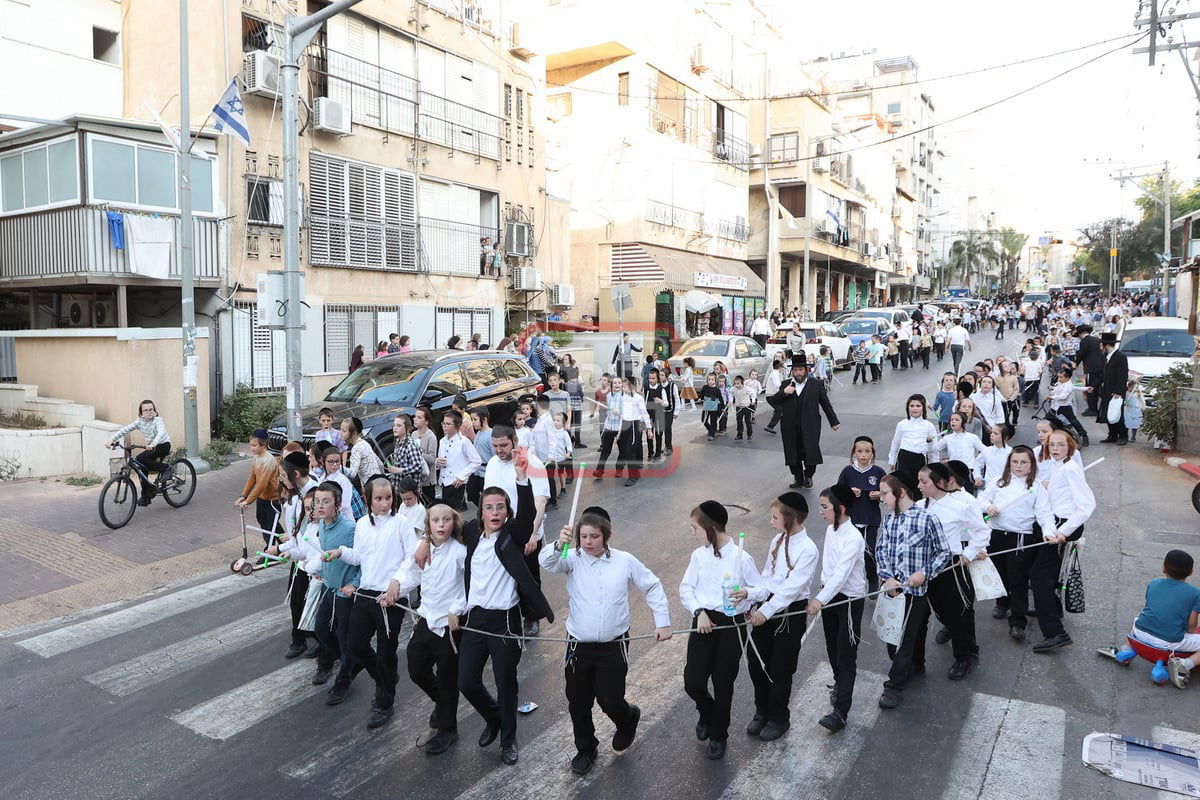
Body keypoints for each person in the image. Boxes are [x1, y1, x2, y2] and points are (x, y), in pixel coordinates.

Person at [418, 457, 549, 766]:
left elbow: (527, 516)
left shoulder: (512, 536)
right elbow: (443, 526)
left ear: (507, 512)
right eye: (489, 507)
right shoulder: (473, 534)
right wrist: (425, 540)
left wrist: (521, 479)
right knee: (466, 681)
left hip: (505, 622)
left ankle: (508, 741)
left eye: (500, 507)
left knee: (506, 684)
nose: (494, 512)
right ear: (481, 513)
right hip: (475, 620)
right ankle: (494, 717)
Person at [539, 508, 672, 775]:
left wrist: (663, 621)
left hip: (613, 644)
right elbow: (547, 562)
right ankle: (586, 748)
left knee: (610, 699)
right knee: (578, 701)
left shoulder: (625, 561)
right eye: (583, 536)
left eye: (594, 536)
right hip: (578, 645)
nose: (588, 542)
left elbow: (652, 585)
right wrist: (558, 545)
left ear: (607, 536)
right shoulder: (571, 558)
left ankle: (627, 718)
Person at [323, 476, 418, 729]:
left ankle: (384, 702)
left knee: (387, 651)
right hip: (365, 593)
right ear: (368, 500)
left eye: (388, 498)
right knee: (355, 643)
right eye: (379, 499)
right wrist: (340, 552)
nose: (384, 503)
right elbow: (359, 556)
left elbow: (411, 558)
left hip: (390, 598)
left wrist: (397, 584)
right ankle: (386, 678)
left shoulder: (401, 523)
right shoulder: (362, 524)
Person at [680, 501, 762, 760]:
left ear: (710, 528)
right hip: (704, 622)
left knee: (723, 682)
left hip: (731, 624)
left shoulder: (742, 558)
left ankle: (719, 735)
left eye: (695, 528)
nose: (693, 532)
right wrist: (698, 612)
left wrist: (747, 593)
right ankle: (707, 712)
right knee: (693, 681)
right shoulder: (698, 556)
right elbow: (686, 588)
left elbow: (762, 589)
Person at [389, 503, 467, 753]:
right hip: (426, 619)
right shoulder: (422, 548)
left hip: (448, 626)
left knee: (447, 679)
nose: (441, 525)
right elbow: (413, 574)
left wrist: (457, 608)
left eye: (446, 520)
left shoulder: (460, 552)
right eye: (436, 520)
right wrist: (395, 588)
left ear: (454, 523)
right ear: (428, 525)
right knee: (416, 668)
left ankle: (448, 729)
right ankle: (441, 704)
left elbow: (469, 585)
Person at [743, 492, 819, 742]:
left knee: (781, 668)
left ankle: (778, 718)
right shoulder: (777, 540)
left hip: (789, 612)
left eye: (775, 517)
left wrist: (765, 612)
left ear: (790, 517)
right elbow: (767, 578)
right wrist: (752, 600)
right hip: (767, 606)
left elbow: (791, 589)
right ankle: (761, 711)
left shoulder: (808, 549)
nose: (771, 521)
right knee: (757, 662)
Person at [875, 472, 952, 710]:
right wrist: (887, 578)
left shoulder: (927, 518)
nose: (881, 498)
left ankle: (894, 686)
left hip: (915, 594)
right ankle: (914, 666)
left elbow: (944, 552)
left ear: (901, 493)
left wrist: (924, 573)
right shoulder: (888, 519)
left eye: (885, 494)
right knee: (892, 639)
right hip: (892, 593)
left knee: (904, 640)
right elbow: (880, 550)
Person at [1015, 429, 1092, 653]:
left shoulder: (1070, 469)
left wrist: (1063, 532)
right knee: (1045, 573)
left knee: (1040, 577)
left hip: (1063, 526)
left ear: (1070, 447)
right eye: (1052, 445)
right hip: (1053, 523)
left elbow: (1087, 505)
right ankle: (1052, 608)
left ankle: (1056, 632)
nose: (1056, 448)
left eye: (1061, 445)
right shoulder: (1058, 466)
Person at [918, 463, 988, 680]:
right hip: (926, 567)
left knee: (958, 613)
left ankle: (965, 656)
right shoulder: (919, 506)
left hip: (952, 566)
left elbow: (982, 531)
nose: (918, 486)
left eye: (923, 482)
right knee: (939, 609)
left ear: (939, 483)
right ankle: (961, 640)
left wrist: (968, 554)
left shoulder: (961, 505)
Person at [980, 446, 1057, 640]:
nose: (1019, 466)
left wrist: (1049, 532)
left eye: (1024, 462)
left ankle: (1017, 621)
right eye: (1015, 462)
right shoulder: (998, 482)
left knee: (1018, 578)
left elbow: (1045, 513)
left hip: (1021, 537)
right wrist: (988, 506)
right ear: (1009, 463)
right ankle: (1002, 603)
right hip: (996, 534)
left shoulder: (1036, 487)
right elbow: (981, 498)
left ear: (1031, 465)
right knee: (999, 573)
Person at [809, 485, 868, 733]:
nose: (820, 511)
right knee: (832, 648)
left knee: (846, 655)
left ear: (840, 509)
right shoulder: (830, 529)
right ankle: (839, 685)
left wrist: (819, 599)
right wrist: (823, 592)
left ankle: (841, 712)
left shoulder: (854, 538)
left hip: (848, 601)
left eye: (825, 507)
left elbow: (842, 575)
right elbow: (828, 568)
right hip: (830, 597)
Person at [311, 480, 360, 706]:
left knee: (344, 636)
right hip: (328, 587)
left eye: (326, 502)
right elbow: (324, 554)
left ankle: (344, 680)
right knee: (320, 629)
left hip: (345, 592)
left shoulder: (350, 529)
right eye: (317, 501)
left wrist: (354, 585)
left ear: (338, 505)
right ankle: (350, 662)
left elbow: (363, 560)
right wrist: (320, 571)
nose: (320, 506)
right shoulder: (322, 524)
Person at [1131, 550, 1200, 688]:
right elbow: (1191, 628)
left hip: (1138, 634)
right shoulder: (1195, 594)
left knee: (1140, 617)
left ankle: (1126, 648)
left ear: (1164, 568)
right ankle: (1184, 665)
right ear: (1191, 572)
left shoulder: (1153, 583)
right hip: (1167, 644)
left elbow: (1151, 607)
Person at [772, 355, 841, 489]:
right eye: (795, 370)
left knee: (810, 451)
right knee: (793, 452)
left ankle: (808, 475)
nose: (798, 373)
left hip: (810, 425)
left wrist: (833, 421)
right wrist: (784, 392)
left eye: (800, 370)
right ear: (792, 371)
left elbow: (825, 404)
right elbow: (775, 401)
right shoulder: (786, 384)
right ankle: (798, 478)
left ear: (806, 370)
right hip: (790, 426)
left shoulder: (815, 384)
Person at [836, 436, 886, 592]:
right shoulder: (847, 471)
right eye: (860, 451)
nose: (863, 455)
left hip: (871, 518)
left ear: (873, 453)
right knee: (851, 552)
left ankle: (872, 579)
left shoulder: (878, 472)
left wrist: (879, 495)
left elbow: (890, 493)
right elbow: (837, 494)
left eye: (867, 451)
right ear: (854, 453)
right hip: (852, 518)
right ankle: (847, 582)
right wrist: (849, 493)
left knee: (869, 551)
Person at [109, 399, 171, 506]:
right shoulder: (139, 422)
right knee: (141, 466)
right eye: (146, 410)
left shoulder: (158, 420)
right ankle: (145, 496)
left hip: (163, 445)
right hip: (151, 446)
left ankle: (166, 468)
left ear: (154, 411)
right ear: (141, 413)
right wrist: (111, 439)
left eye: (151, 409)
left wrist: (153, 444)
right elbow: (125, 429)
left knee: (140, 459)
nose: (149, 412)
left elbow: (160, 433)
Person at [235, 429, 283, 548]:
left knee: (269, 526)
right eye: (251, 445)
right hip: (262, 498)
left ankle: (270, 548)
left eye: (254, 445)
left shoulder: (268, 461)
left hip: (272, 500)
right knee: (267, 523)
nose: (251, 448)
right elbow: (252, 477)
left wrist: (248, 501)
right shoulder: (257, 458)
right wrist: (244, 495)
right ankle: (284, 545)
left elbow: (262, 484)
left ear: (264, 444)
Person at [887, 394, 937, 482]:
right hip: (904, 458)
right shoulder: (902, 424)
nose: (915, 408)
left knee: (918, 485)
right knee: (903, 484)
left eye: (918, 406)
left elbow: (934, 449)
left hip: (920, 459)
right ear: (908, 408)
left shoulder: (929, 426)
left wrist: (934, 464)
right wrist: (892, 460)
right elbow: (895, 443)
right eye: (912, 406)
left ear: (923, 408)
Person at [1098, 331, 1130, 445]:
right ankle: (1112, 435)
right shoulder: (1106, 356)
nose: (1100, 347)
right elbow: (1103, 374)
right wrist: (1094, 385)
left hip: (1117, 391)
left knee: (1117, 413)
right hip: (1107, 390)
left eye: (1101, 344)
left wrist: (1118, 391)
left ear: (1106, 345)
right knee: (1108, 412)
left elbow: (1123, 376)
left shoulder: (1120, 356)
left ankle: (1123, 436)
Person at [386, 413, 428, 495]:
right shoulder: (398, 442)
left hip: (410, 492)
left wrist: (399, 470)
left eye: (399, 425)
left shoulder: (411, 445)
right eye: (394, 425)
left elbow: (418, 467)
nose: (395, 428)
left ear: (407, 428)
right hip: (399, 489)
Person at [1047, 369, 1090, 446]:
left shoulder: (1068, 386)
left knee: (1074, 422)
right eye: (1058, 377)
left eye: (1061, 377)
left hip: (1065, 407)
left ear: (1067, 378)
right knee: (1047, 420)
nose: (1059, 379)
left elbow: (1063, 396)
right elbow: (1076, 388)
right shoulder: (1060, 383)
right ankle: (1048, 436)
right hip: (1055, 407)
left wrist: (1051, 397)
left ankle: (1084, 436)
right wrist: (1086, 388)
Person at [342, 416, 385, 490]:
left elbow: (352, 474)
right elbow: (380, 463)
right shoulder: (364, 443)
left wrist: (339, 468)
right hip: (379, 481)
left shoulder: (356, 449)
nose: (341, 433)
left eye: (344, 431)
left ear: (354, 433)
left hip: (370, 486)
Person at [1075, 326, 1104, 416]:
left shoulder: (1084, 341)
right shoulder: (1096, 339)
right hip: (1100, 367)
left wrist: (1076, 363)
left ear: (1080, 334)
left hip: (1091, 368)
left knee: (1090, 388)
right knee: (1096, 387)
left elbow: (1081, 354)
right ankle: (1094, 408)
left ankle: (1092, 409)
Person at [414, 407, 439, 505]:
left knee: (429, 507)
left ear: (426, 421)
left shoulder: (431, 437)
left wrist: (419, 453)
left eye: (419, 417)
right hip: (417, 478)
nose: (415, 419)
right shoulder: (413, 434)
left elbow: (433, 459)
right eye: (415, 417)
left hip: (428, 480)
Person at [732, 374, 755, 441]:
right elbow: (731, 394)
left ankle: (749, 434)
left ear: (742, 383)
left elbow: (753, 392)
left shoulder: (747, 389)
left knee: (747, 421)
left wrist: (753, 400)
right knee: (739, 421)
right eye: (735, 383)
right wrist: (730, 401)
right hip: (739, 407)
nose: (736, 385)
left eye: (738, 383)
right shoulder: (733, 389)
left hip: (746, 407)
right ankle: (739, 434)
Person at [1125, 378, 1146, 442]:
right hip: (1129, 409)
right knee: (1127, 423)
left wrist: (1143, 407)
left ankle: (1133, 437)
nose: (1134, 388)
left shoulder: (1138, 393)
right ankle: (1126, 436)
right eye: (1132, 387)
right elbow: (1125, 400)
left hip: (1136, 410)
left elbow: (1142, 400)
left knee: (1135, 424)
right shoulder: (1127, 393)